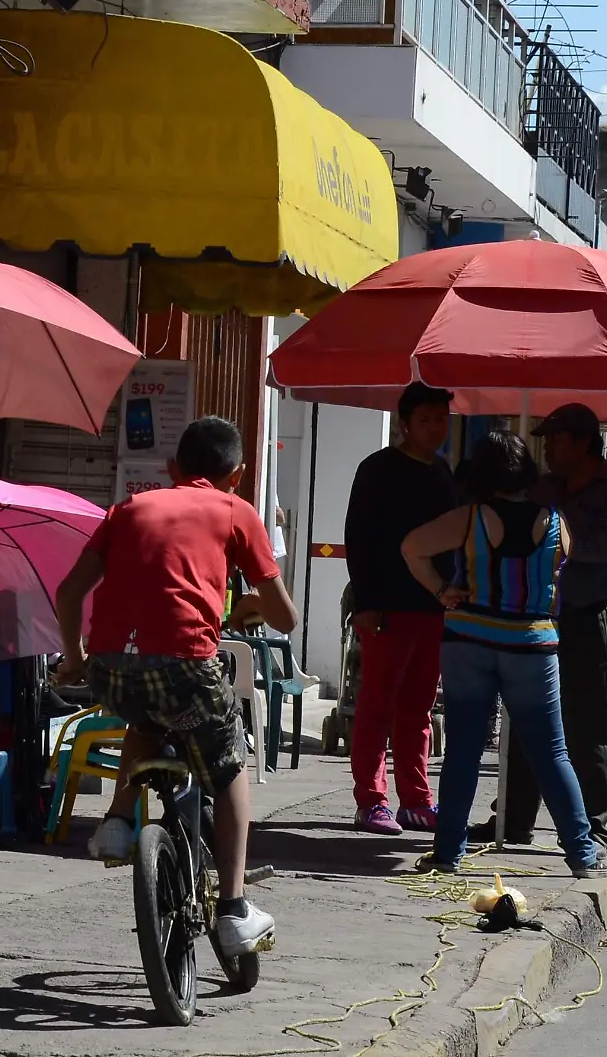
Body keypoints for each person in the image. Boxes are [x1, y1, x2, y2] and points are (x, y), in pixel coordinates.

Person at [54, 416, 299, 960]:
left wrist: (74, 662)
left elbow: (69, 593)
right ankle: (234, 909)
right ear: (236, 475)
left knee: (145, 715)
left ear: (171, 469)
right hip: (187, 666)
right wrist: (250, 606)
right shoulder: (236, 511)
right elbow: (286, 617)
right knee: (231, 766)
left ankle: (118, 823)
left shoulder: (128, 509)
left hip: (112, 667)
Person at [400, 432, 606, 879]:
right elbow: (562, 564)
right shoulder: (555, 521)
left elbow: (412, 547)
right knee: (552, 752)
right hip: (532, 644)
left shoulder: (468, 517)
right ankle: (582, 854)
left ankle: (447, 854)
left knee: (463, 752)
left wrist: (441, 590)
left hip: (468, 638)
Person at [474, 404, 607, 848]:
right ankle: (512, 819)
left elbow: (599, 548)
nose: (546, 449)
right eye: (545, 441)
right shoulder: (543, 488)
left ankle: (593, 827)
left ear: (582, 443)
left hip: (584, 619)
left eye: (555, 441)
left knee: (586, 729)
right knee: (524, 721)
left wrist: (551, 530)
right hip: (534, 617)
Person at [342, 382, 459, 834]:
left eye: (441, 419)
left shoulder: (444, 473)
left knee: (420, 707)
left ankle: (416, 798)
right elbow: (359, 538)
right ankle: (370, 799)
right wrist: (367, 602)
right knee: (376, 705)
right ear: (405, 423)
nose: (435, 428)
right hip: (385, 607)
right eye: (426, 419)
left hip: (433, 609)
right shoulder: (378, 469)